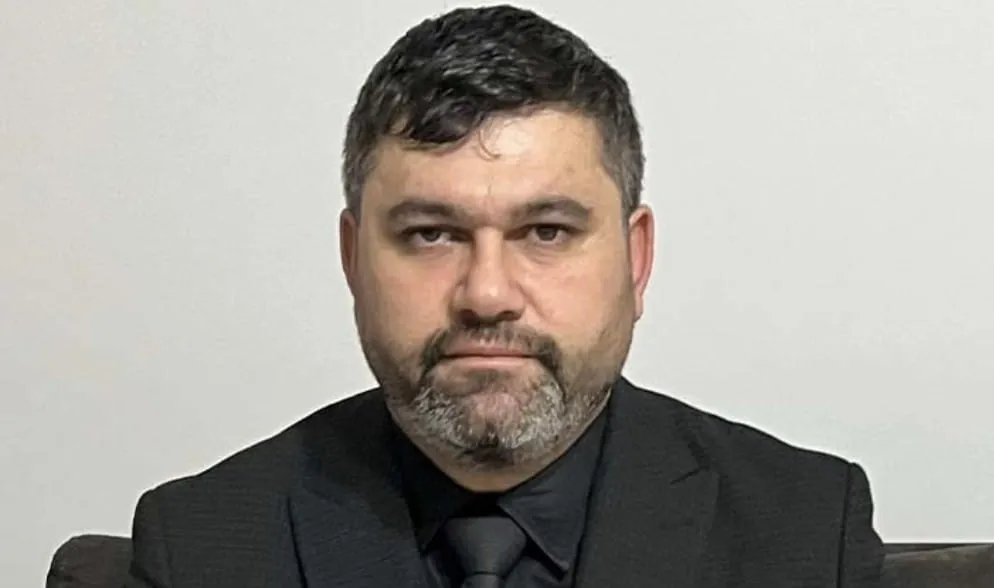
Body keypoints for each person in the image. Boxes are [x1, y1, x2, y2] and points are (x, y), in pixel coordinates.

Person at [126, 4, 883, 587]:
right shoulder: (199, 546)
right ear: (353, 258)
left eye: (546, 231)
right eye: (431, 234)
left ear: (636, 258)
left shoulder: (806, 531)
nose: (486, 295)